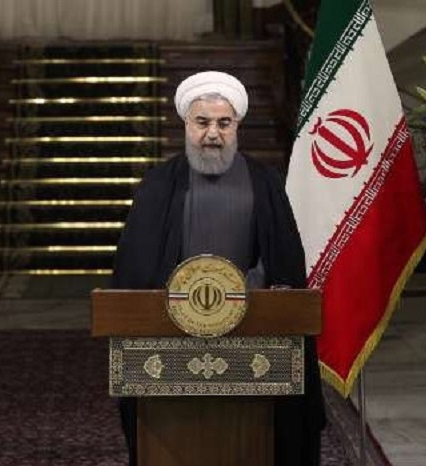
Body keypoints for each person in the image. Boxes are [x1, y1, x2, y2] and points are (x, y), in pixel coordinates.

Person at [111, 71, 325, 466]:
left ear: (237, 125)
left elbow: (284, 263)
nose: (213, 133)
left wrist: (240, 292)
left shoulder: (265, 182)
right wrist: (186, 298)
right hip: (173, 337)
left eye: (224, 123)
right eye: (202, 122)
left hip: (252, 333)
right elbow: (137, 269)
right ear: (186, 124)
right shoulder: (158, 184)